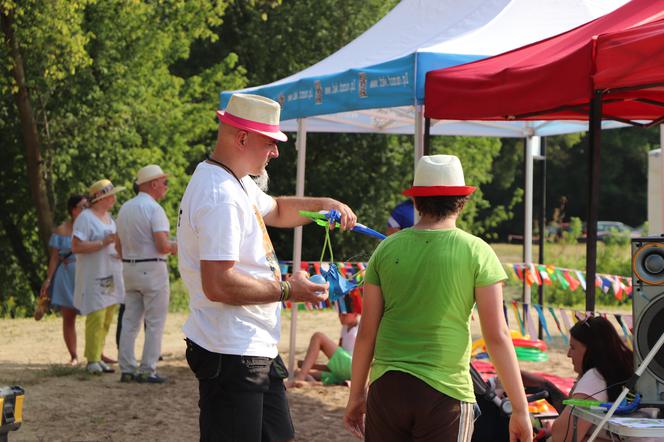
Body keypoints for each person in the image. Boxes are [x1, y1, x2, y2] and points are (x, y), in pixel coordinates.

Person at [178, 92, 358, 441]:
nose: (275, 151)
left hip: (249, 347)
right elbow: (218, 283)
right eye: (270, 142)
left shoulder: (235, 181)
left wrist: (322, 204)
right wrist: (291, 289)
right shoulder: (221, 195)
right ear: (242, 138)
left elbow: (275, 209)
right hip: (231, 351)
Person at [344, 155, 532, 442]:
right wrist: (520, 409)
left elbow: (367, 332)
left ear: (416, 201)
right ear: (462, 201)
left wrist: (356, 395)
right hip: (446, 391)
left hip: (387, 387)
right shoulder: (477, 251)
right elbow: (497, 336)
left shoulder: (386, 250)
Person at [116, 165, 177, 384]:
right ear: (153, 184)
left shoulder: (125, 208)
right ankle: (147, 368)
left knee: (130, 320)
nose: (166, 187)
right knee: (154, 322)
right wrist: (179, 247)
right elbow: (162, 245)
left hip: (129, 267)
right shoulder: (154, 209)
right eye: (164, 182)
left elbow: (117, 245)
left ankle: (127, 367)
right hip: (152, 268)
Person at [548, 316, 634, 442]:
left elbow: (562, 437)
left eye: (573, 347)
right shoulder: (627, 366)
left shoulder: (595, 378)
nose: (568, 354)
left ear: (591, 350)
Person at [72, 179, 126, 375]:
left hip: (110, 272)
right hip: (94, 275)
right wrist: (103, 243)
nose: (115, 198)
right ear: (101, 198)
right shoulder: (86, 218)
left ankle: (98, 354)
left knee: (107, 316)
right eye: (111, 195)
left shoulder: (109, 218)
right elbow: (76, 246)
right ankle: (92, 359)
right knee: (96, 314)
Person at [38, 195, 88, 364]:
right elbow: (54, 258)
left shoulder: (91, 227)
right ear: (73, 210)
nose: (86, 210)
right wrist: (48, 279)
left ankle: (97, 353)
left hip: (86, 274)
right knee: (68, 317)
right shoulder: (61, 230)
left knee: (95, 315)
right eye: (83, 206)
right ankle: (73, 356)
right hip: (66, 276)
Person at [289, 300, 360, 387]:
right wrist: (314, 366)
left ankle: (301, 377)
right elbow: (339, 361)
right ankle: (313, 383)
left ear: (355, 314)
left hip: (352, 368)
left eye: (344, 314)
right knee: (297, 370)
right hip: (344, 370)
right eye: (339, 314)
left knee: (318, 337)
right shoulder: (345, 328)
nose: (341, 317)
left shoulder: (358, 331)